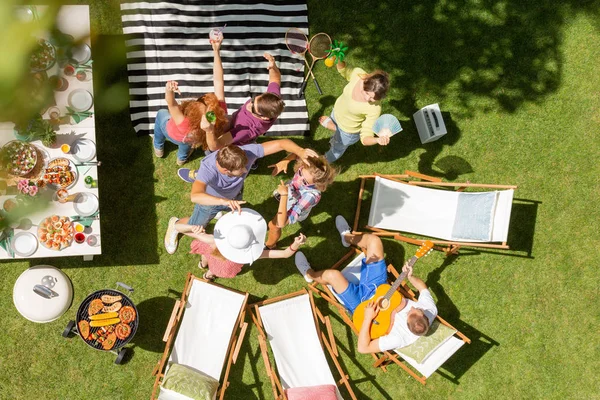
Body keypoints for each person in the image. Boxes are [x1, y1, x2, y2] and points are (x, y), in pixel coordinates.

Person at [294, 215, 437, 353]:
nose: (414, 308)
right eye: (418, 310)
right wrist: (411, 277)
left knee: (333, 275)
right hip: (380, 289)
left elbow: (363, 348)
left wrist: (368, 317)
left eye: (411, 312)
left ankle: (309, 274)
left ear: (407, 323)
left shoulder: (398, 338)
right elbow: (422, 288)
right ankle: (346, 237)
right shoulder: (429, 311)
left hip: (360, 305)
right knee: (374, 241)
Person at [164, 139, 318, 254]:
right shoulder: (208, 169)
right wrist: (223, 201)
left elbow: (281, 143)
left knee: (229, 210)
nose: (246, 170)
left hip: (234, 195)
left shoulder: (245, 153)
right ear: (226, 170)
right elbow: (195, 196)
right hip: (209, 202)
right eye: (241, 169)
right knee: (196, 228)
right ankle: (176, 225)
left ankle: (222, 210)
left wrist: (300, 151)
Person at [177, 52, 285, 182]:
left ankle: (201, 174)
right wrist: (273, 67)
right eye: (253, 100)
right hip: (245, 138)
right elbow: (275, 79)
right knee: (249, 147)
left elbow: (215, 146)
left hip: (236, 142)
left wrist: (209, 131)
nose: (248, 104)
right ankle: (252, 161)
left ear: (264, 118)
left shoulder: (246, 129)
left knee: (214, 157)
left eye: (252, 108)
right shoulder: (273, 102)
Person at [153, 36, 228, 165]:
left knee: (161, 114)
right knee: (187, 144)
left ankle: (158, 146)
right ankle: (181, 158)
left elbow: (171, 103)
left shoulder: (183, 122)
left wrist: (169, 89)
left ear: (191, 110)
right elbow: (218, 80)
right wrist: (216, 51)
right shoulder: (219, 114)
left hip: (172, 133)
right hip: (192, 140)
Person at [319, 62, 391, 163]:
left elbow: (366, 137)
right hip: (336, 113)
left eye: (372, 98)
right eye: (366, 93)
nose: (367, 98)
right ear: (365, 81)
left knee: (337, 148)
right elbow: (344, 70)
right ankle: (335, 129)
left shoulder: (375, 108)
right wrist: (339, 59)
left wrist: (377, 140)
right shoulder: (358, 75)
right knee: (336, 136)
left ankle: (323, 162)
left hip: (348, 131)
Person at [265, 154, 338, 248]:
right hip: (289, 194)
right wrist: (286, 160)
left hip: (293, 204)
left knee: (274, 226)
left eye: (305, 182)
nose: (298, 180)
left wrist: (284, 195)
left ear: (317, 183)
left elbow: (282, 222)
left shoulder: (310, 196)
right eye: (300, 173)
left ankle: (270, 245)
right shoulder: (307, 166)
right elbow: (297, 153)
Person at [185, 224, 307, 280]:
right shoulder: (250, 254)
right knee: (214, 270)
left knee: (206, 254)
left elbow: (186, 230)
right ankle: (207, 276)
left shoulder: (214, 241)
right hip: (224, 267)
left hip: (212, 252)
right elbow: (284, 254)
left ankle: (202, 264)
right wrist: (296, 243)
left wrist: (191, 228)